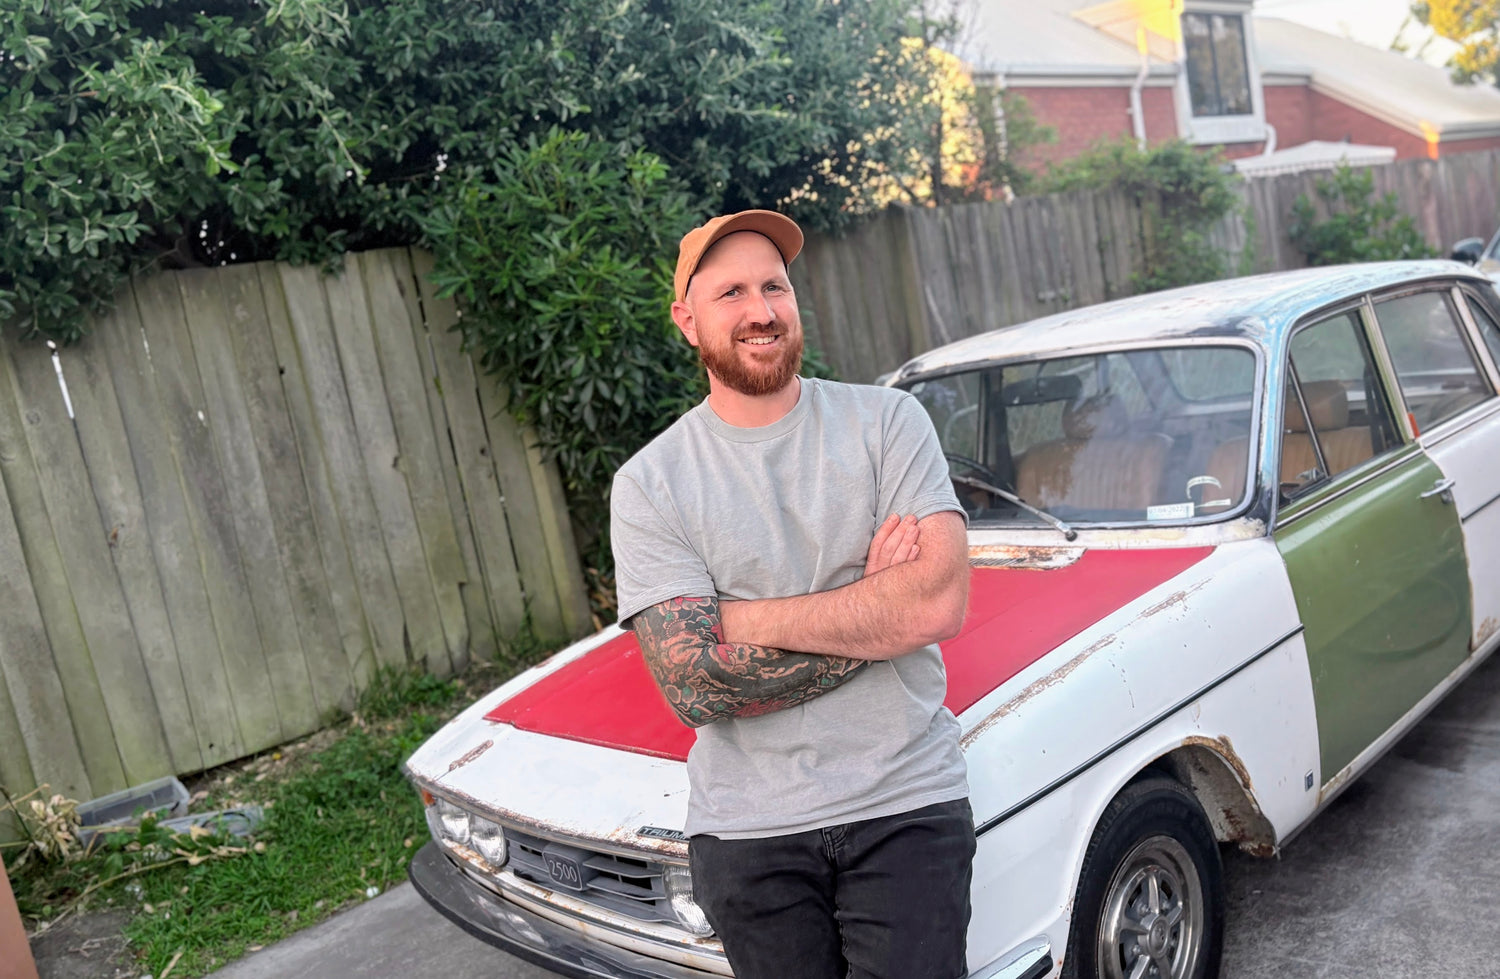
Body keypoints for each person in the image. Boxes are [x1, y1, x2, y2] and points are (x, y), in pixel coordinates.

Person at [610, 209, 975, 979]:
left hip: (903, 801)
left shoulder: (887, 423)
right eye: (732, 292)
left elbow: (936, 605)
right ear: (687, 321)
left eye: (774, 285)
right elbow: (695, 682)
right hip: (748, 831)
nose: (761, 310)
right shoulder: (650, 483)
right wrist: (874, 604)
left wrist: (737, 620)